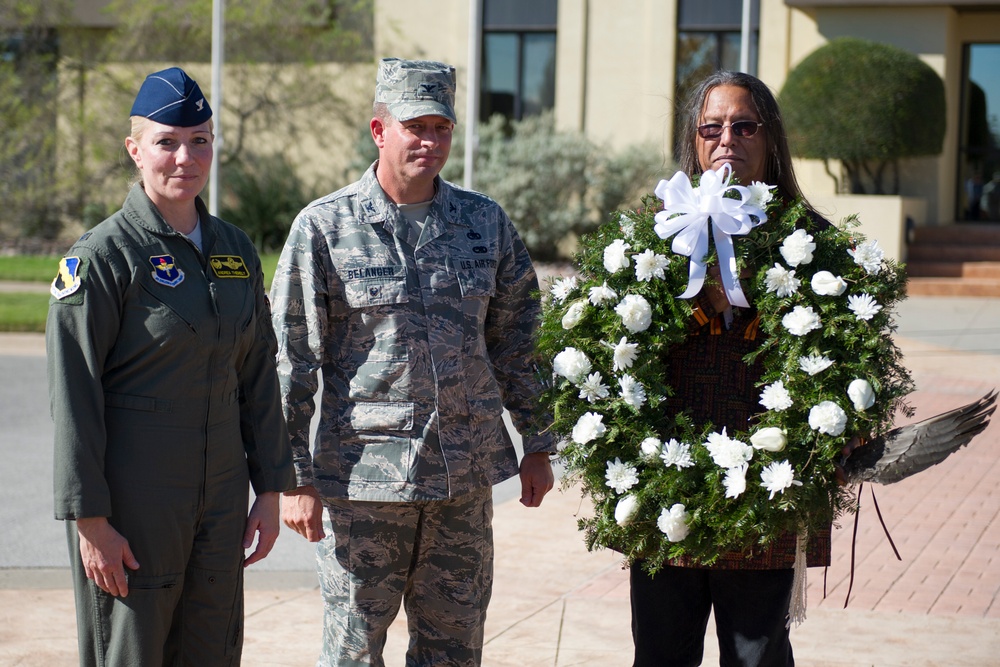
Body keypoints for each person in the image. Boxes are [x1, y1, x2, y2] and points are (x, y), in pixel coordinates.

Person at [270, 57, 555, 667]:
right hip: (364, 484)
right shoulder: (324, 227)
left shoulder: (484, 224)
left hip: (462, 482)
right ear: (380, 130)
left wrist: (538, 440)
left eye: (441, 128)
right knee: (353, 653)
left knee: (454, 651)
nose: (430, 140)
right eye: (415, 126)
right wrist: (292, 478)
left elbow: (520, 339)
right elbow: (293, 360)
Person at [46, 67, 295, 666]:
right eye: (167, 142)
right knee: (131, 651)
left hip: (220, 503)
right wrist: (91, 522)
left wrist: (270, 488)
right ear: (135, 150)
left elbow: (257, 373)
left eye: (200, 140)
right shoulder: (103, 258)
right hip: (136, 506)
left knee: (212, 647)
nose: (186, 156)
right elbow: (73, 395)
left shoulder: (235, 251)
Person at [628, 71, 835, 667]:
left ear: (770, 139)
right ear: (692, 142)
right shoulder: (657, 233)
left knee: (756, 657)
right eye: (710, 128)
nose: (727, 139)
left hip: (765, 484)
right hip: (666, 480)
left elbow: (833, 347)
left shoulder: (810, 241)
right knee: (662, 654)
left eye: (744, 126)